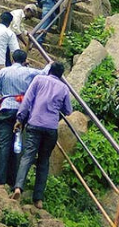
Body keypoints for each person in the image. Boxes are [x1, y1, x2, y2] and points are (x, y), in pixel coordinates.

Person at [12, 62, 73, 207]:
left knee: (28, 156)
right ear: (61, 75)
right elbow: (68, 110)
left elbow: (27, 101)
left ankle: (18, 187)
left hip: (34, 124)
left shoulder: (39, 79)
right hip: (51, 128)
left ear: (49, 70)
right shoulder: (64, 88)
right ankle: (38, 199)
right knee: (44, 161)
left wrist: (20, 119)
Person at [0, 50, 44, 188]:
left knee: (4, 144)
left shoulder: (3, 72)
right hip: (23, 111)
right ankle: (13, 181)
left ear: (12, 59)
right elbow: (45, 72)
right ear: (25, 60)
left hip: (6, 108)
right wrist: (50, 64)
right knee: (18, 143)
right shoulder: (30, 72)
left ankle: (0, 180)